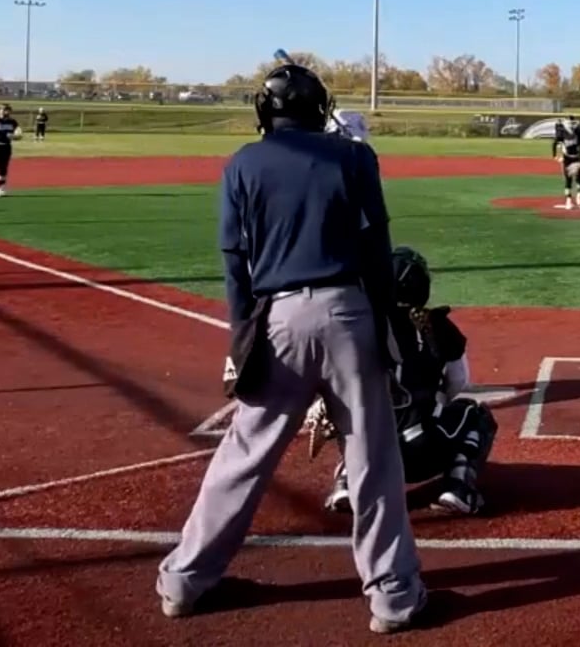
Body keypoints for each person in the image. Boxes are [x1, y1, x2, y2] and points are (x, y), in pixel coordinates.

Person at [155, 63, 432, 633]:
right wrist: (390, 323)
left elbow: (235, 261)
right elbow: (376, 249)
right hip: (349, 314)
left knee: (244, 453)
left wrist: (242, 335)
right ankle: (393, 598)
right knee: (373, 460)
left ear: (266, 110)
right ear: (319, 107)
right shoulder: (354, 157)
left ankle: (185, 580)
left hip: (277, 319)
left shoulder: (242, 163)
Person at [319, 246, 498, 517]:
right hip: (421, 451)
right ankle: (459, 486)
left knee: (349, 413)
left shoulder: (359, 325)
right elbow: (458, 382)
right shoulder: (438, 325)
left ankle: (347, 481)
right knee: (476, 415)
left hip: (369, 452)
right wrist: (431, 398)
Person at [553, 115, 580, 210]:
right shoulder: (562, 132)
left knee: (579, 179)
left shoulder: (578, 132)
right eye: (570, 123)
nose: (571, 125)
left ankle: (579, 195)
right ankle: (568, 200)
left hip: (576, 157)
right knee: (568, 179)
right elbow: (555, 143)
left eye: (573, 123)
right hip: (567, 158)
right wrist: (555, 155)